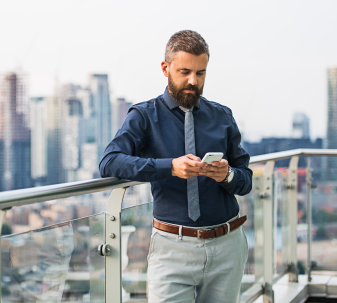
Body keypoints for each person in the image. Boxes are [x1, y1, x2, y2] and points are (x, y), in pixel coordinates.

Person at [99, 30, 252, 303]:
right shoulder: (144, 116)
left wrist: (226, 174)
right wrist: (169, 167)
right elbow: (110, 161)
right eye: (184, 72)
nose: (193, 81)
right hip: (172, 250)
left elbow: (246, 179)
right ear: (165, 68)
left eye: (201, 73)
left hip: (228, 246)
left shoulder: (223, 116)